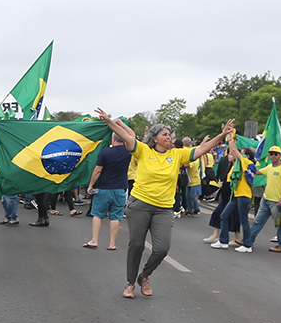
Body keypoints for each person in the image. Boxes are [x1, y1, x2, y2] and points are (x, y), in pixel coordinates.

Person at [95, 112, 233, 299]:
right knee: (136, 245)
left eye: (170, 135)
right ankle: (129, 284)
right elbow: (127, 136)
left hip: (164, 209)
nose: (169, 138)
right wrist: (110, 121)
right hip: (140, 205)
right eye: (165, 135)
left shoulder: (177, 155)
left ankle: (144, 276)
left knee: (162, 248)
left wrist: (223, 135)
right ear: (155, 138)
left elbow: (203, 148)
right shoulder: (143, 150)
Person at [83, 132, 130, 251]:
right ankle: (112, 243)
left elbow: (98, 170)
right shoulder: (128, 152)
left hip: (104, 188)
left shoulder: (105, 152)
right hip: (120, 188)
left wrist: (90, 185)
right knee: (116, 216)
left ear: (113, 139)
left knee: (98, 214)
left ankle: (94, 240)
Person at [238, 146, 281, 253]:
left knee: (279, 224)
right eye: (271, 154)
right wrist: (248, 165)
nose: (273, 156)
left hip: (276, 201)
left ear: (280, 155)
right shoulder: (270, 167)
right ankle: (249, 240)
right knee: (258, 221)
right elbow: (258, 171)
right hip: (266, 199)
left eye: (276, 154)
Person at [213, 144, 256, 250]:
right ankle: (223, 241)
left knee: (243, 220)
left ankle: (247, 244)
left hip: (243, 195)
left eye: (242, 154)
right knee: (224, 215)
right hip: (236, 195)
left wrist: (230, 138)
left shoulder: (246, 163)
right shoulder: (237, 165)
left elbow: (234, 150)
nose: (238, 155)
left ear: (248, 156)